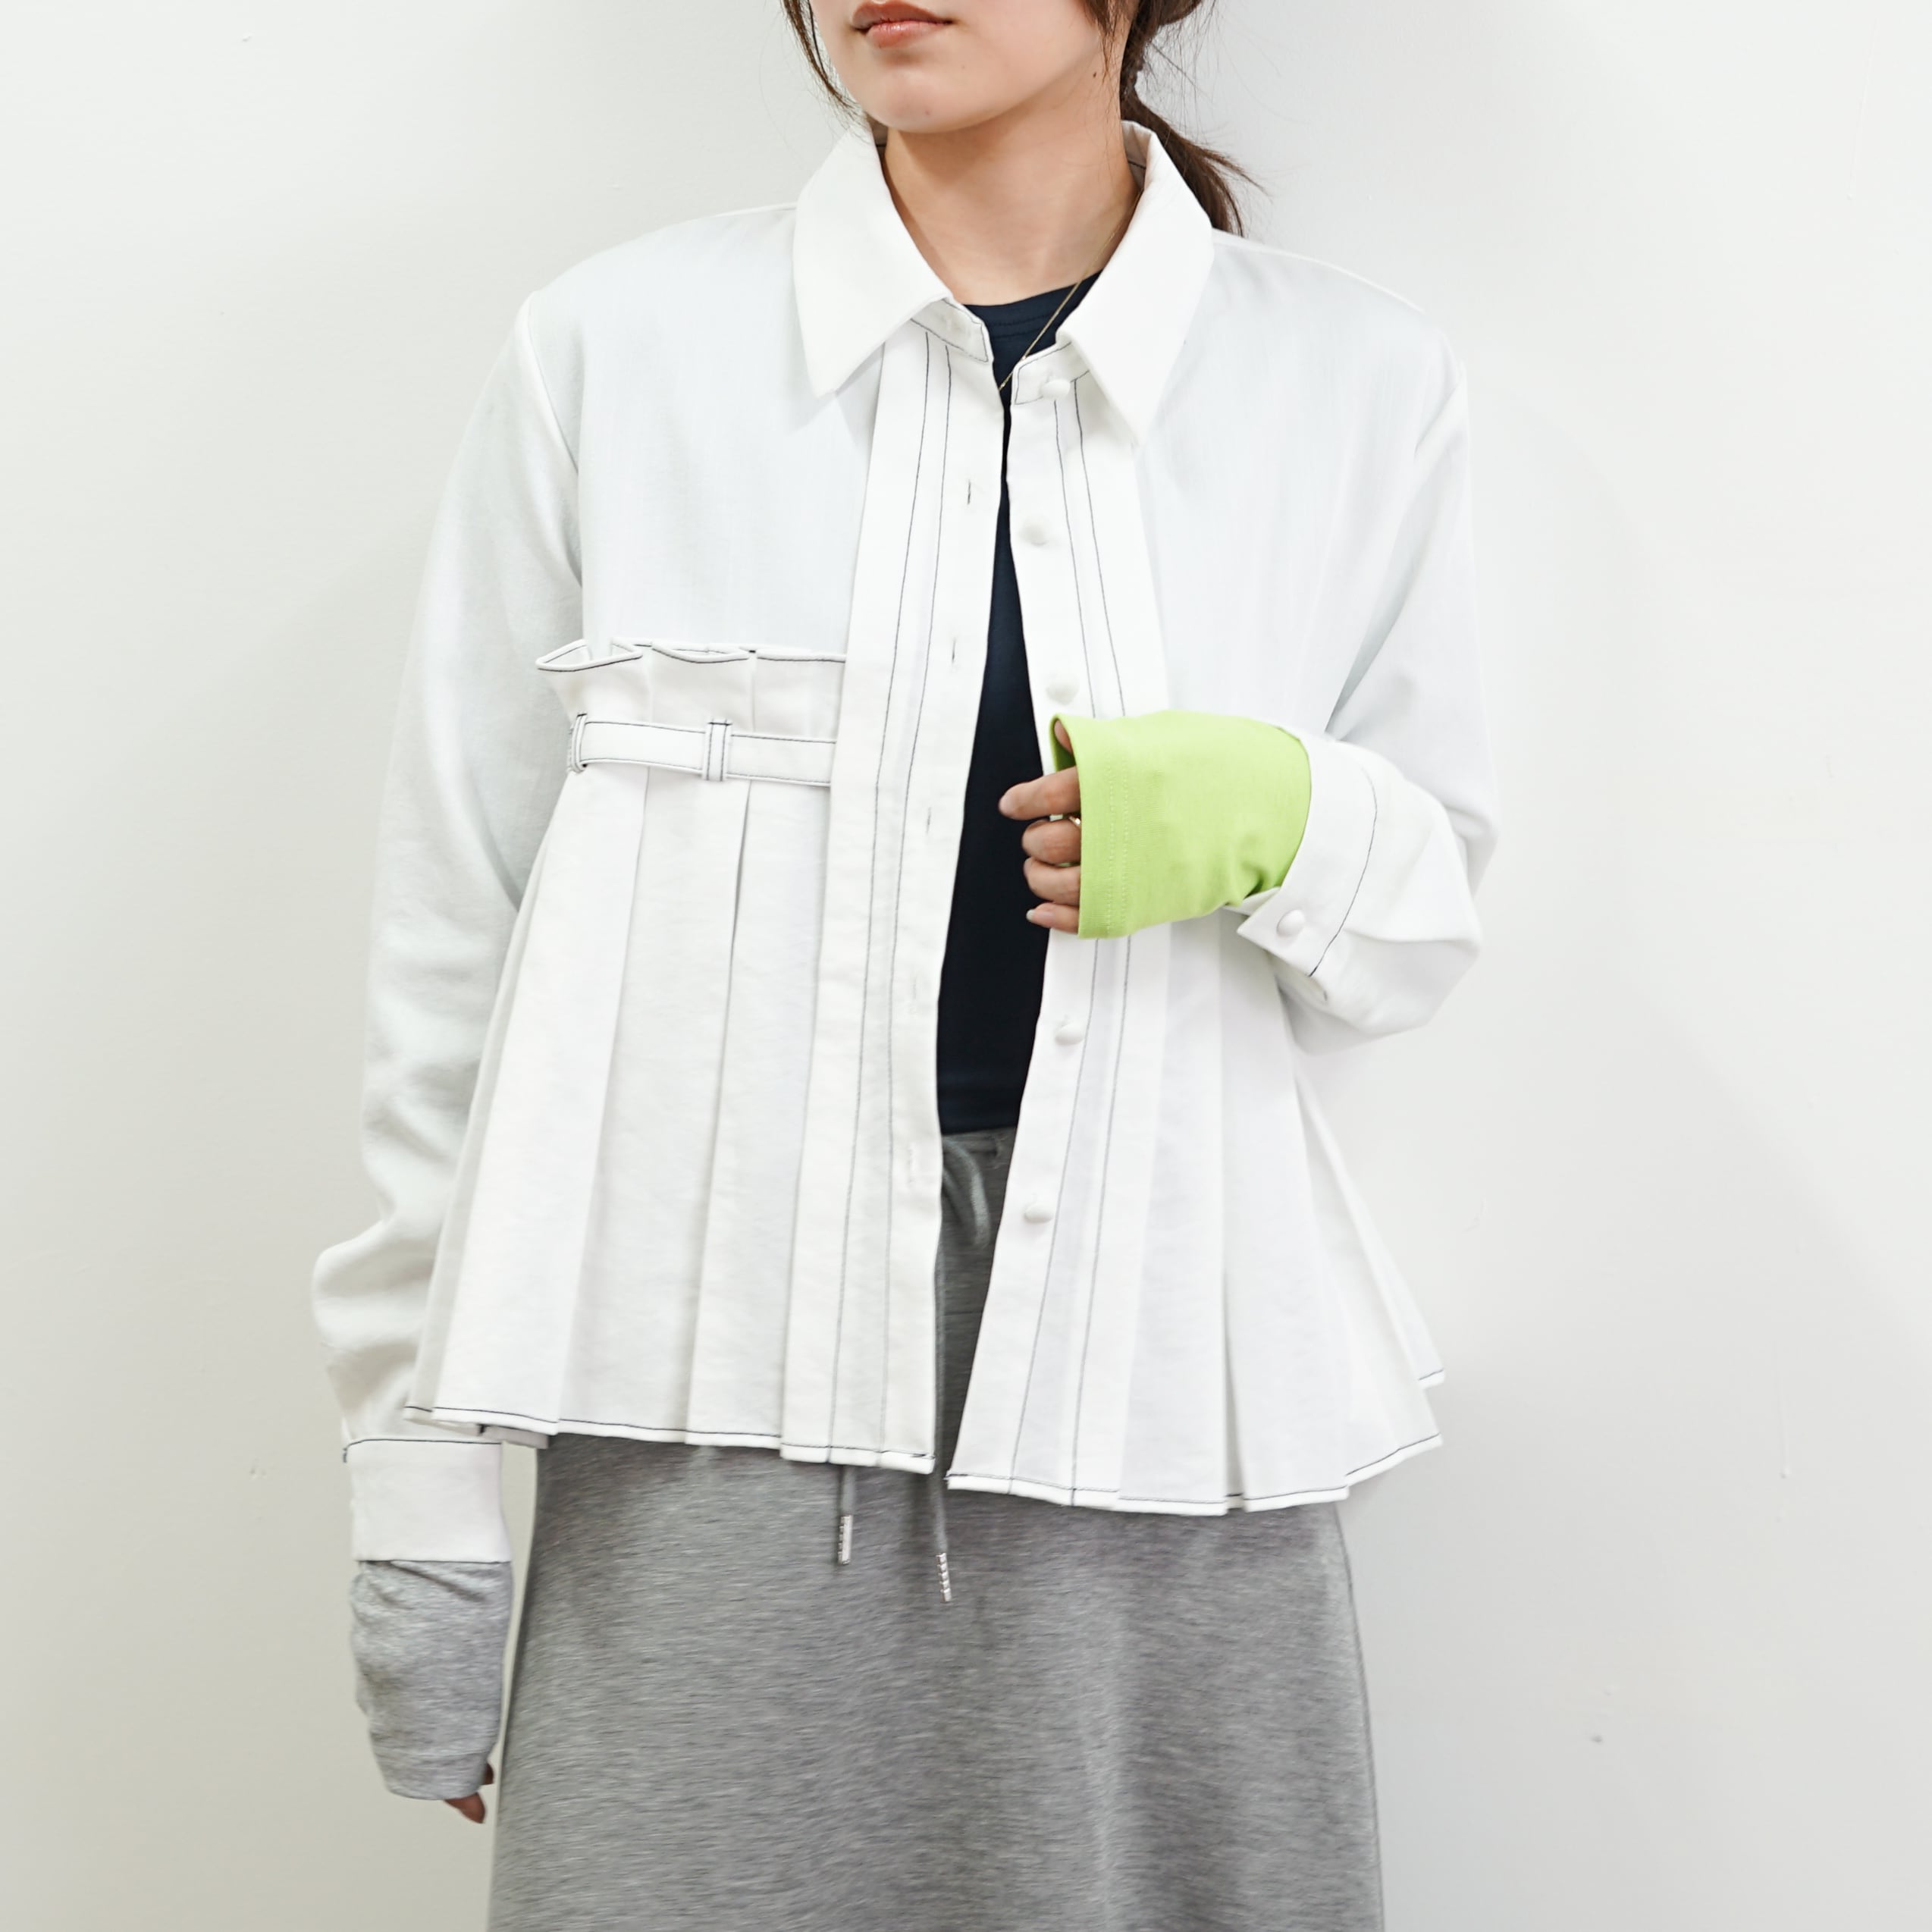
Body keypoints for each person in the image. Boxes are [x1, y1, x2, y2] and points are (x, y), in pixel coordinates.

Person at [311, 2, 1498, 1925]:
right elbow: (458, 941)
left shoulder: (1348, 379)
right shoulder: (618, 350)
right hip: (703, 1374)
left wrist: (1286, 810)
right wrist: (421, 1504)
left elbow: (1418, 928)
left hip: (1164, 1377)